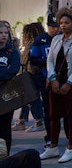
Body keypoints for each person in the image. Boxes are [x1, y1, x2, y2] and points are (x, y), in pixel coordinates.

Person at [40, 7, 72, 163]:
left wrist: (69, 83)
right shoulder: (55, 40)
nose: (63, 25)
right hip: (55, 83)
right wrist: (52, 78)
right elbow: (50, 61)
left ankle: (70, 147)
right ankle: (53, 146)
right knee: (53, 116)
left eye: (66, 23)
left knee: (71, 116)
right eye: (61, 23)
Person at [29, 14, 60, 147]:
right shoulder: (40, 40)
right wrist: (48, 61)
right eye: (53, 27)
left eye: (57, 26)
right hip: (45, 79)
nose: (56, 29)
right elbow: (33, 59)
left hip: (62, 79)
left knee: (66, 110)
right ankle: (50, 137)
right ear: (48, 26)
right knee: (49, 110)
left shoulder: (63, 38)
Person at [12, 23, 46, 132]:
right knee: (27, 97)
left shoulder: (31, 44)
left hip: (32, 73)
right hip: (36, 73)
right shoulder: (41, 42)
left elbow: (25, 60)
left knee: (32, 97)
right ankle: (22, 120)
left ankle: (39, 121)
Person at [0, 21, 21, 156]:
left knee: (5, 127)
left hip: (6, 93)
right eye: (1, 33)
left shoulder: (12, 51)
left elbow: (13, 69)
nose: (4, 35)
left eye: (6, 33)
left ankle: (5, 155)